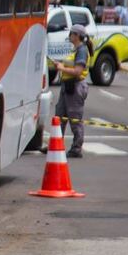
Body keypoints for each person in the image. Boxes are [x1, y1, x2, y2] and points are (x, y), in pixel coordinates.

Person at [52, 24, 93, 158]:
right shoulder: (76, 50)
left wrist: (61, 68)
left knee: (75, 119)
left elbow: (78, 71)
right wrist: (60, 65)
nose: (69, 36)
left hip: (75, 88)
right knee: (59, 116)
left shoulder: (82, 51)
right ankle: (56, 144)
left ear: (76, 36)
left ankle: (76, 148)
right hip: (68, 87)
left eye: (71, 33)